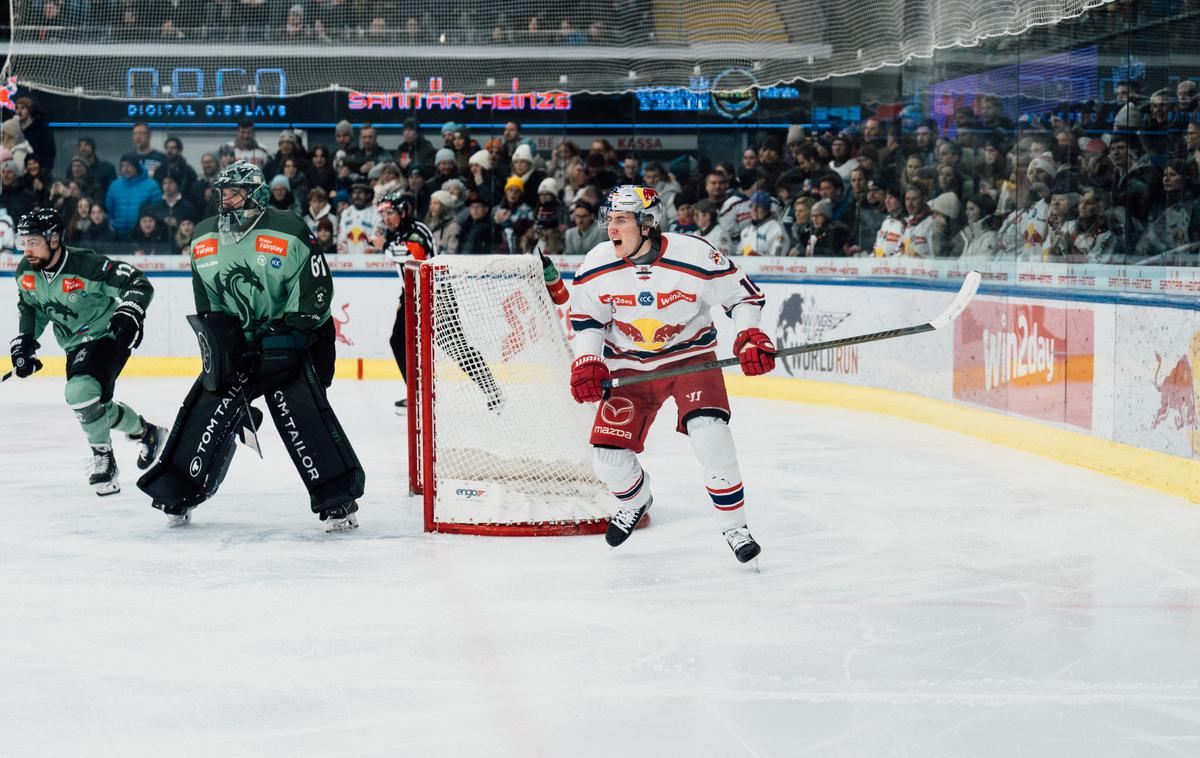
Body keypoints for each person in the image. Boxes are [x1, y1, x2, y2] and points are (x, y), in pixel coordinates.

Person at [137, 162, 365, 532]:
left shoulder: (288, 230)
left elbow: (316, 294)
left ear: (256, 194)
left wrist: (286, 339)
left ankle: (338, 498)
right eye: (221, 193)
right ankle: (177, 489)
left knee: (299, 409)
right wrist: (223, 342)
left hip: (294, 338)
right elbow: (207, 303)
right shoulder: (203, 237)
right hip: (241, 343)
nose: (224, 200)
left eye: (233, 192)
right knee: (207, 404)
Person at [567, 185, 770, 564]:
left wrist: (749, 334)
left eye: (621, 220)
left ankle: (735, 527)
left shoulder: (694, 254)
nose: (611, 229)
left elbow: (742, 297)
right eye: (609, 220)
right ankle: (638, 499)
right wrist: (587, 361)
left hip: (690, 359)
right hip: (629, 366)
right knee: (608, 461)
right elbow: (588, 321)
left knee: (711, 437)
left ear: (647, 224)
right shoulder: (597, 263)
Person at [9, 208, 164, 495]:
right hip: (73, 345)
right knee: (95, 406)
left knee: (79, 393)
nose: (26, 249)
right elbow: (31, 305)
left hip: (107, 336)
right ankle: (147, 432)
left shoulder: (86, 265)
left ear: (54, 239)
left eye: (33, 241)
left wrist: (130, 310)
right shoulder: (26, 272)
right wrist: (26, 341)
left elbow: (137, 283)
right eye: (23, 242)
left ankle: (104, 459)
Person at [374, 191, 504, 414]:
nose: (386, 218)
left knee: (456, 347)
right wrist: (402, 297)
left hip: (436, 295)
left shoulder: (417, 230)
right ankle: (419, 396)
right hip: (412, 297)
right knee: (399, 342)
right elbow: (406, 271)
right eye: (383, 214)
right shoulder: (396, 233)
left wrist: (384, 245)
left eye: (390, 212)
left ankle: (492, 390)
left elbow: (412, 257)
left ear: (402, 211)